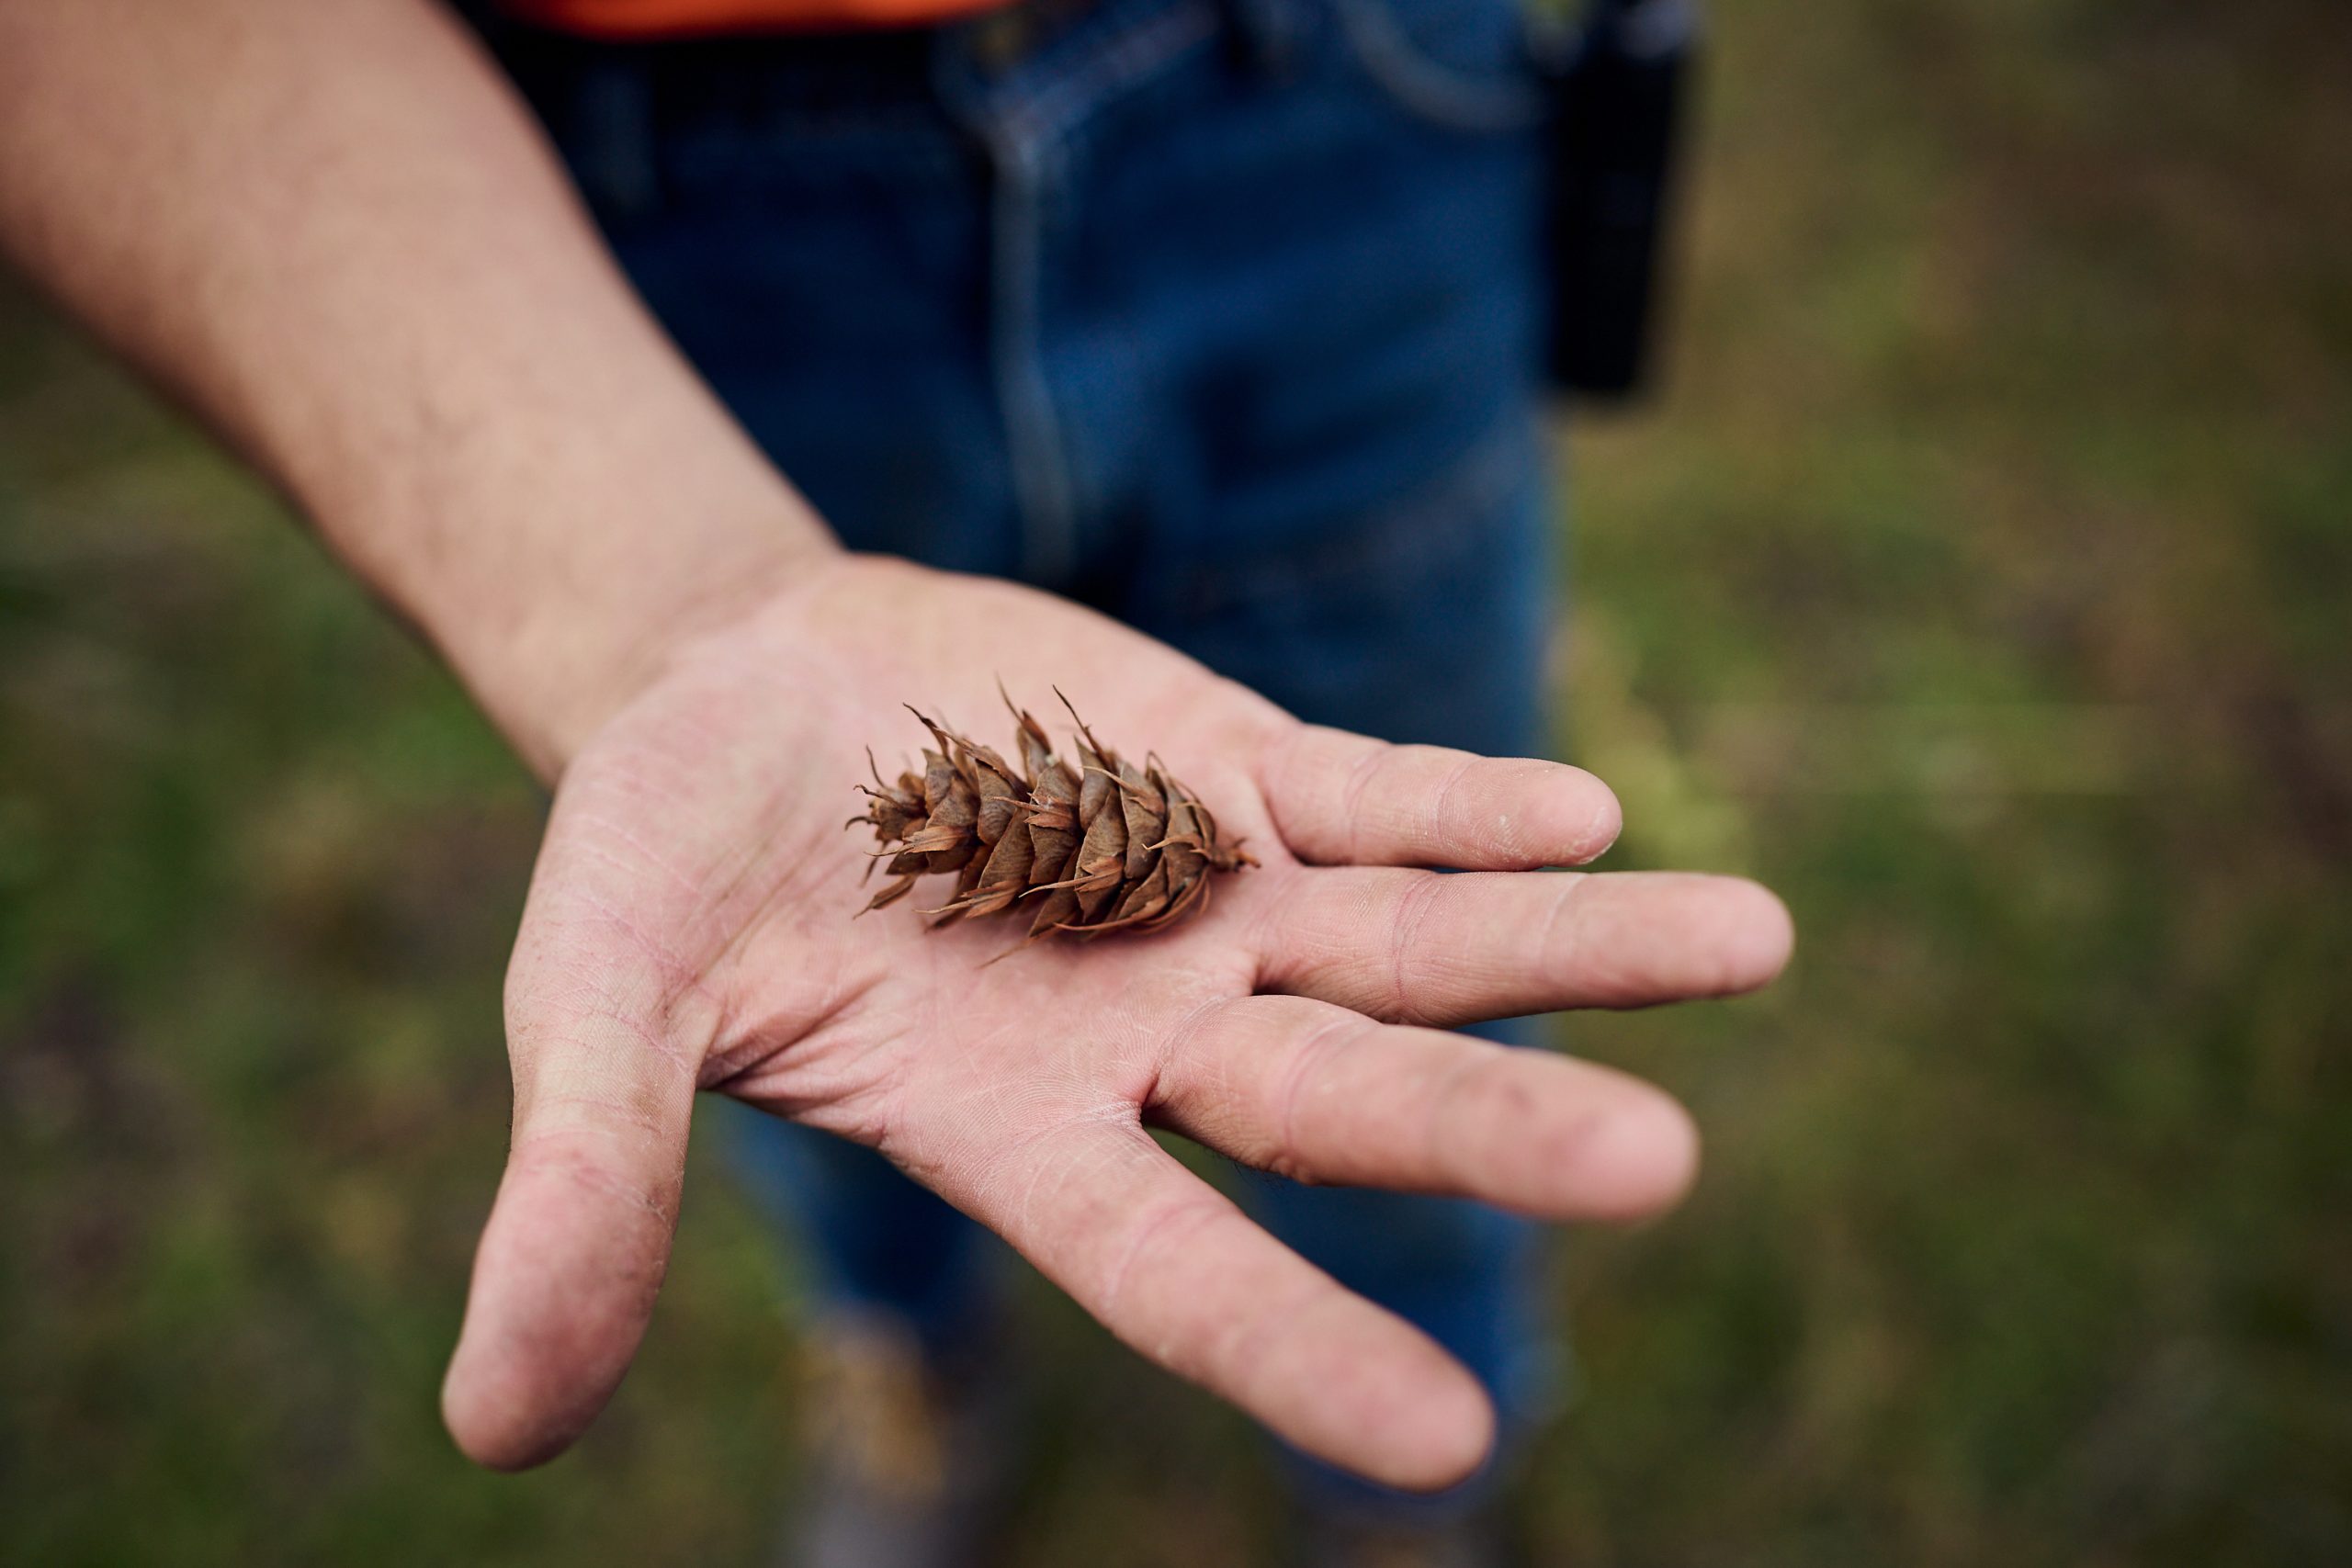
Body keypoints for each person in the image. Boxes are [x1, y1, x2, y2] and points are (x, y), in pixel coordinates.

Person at [0, 1, 1791, 1562]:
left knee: (1418, 988)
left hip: (1345, 100)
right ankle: (904, 1347)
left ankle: (1408, 1462)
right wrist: (675, 597)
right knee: (835, 1049)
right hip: (638, 202)